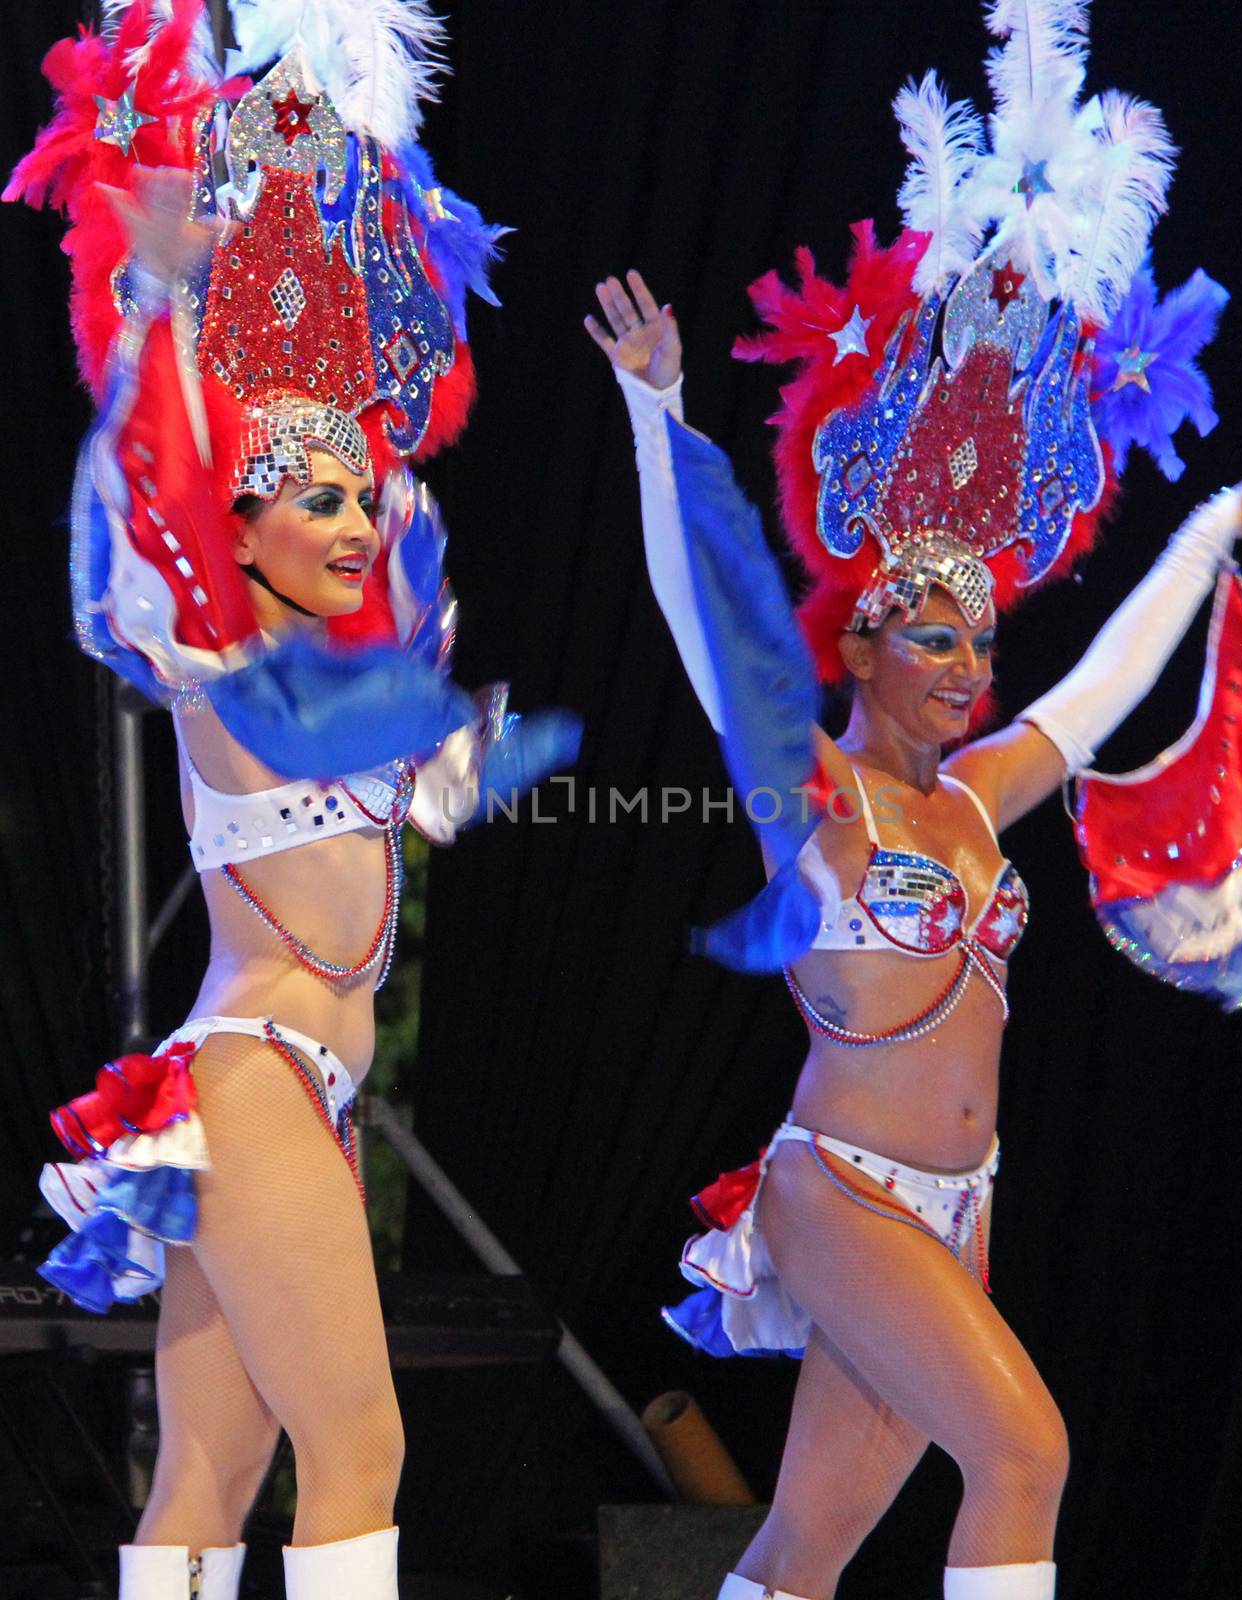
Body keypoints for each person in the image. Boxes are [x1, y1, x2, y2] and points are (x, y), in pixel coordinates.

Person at [583, 8, 1242, 1595]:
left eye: (978, 632)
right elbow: (698, 618)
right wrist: (659, 419)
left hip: (954, 1203)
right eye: (932, 630)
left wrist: (1197, 542)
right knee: (1025, 1453)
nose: (966, 659)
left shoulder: (984, 795)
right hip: (838, 1187)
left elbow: (1098, 691)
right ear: (862, 636)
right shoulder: (809, 778)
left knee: (805, 1549)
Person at [10, 6, 573, 1597]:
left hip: (298, 1088)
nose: (346, 517)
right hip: (254, 1070)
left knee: (209, 1466)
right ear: (236, 531)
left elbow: (442, 760)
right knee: (360, 1452)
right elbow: (150, 491)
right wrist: (162, 307)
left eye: (355, 494)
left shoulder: (358, 680)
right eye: (307, 499)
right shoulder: (211, 651)